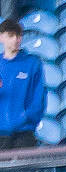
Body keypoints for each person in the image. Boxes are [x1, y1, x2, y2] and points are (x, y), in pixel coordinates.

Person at [0, 20, 45, 151]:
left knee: (24, 171)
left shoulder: (32, 63)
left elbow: (39, 97)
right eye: (11, 36)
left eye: (18, 36)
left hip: (24, 134)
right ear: (1, 37)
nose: (16, 40)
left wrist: (26, 118)